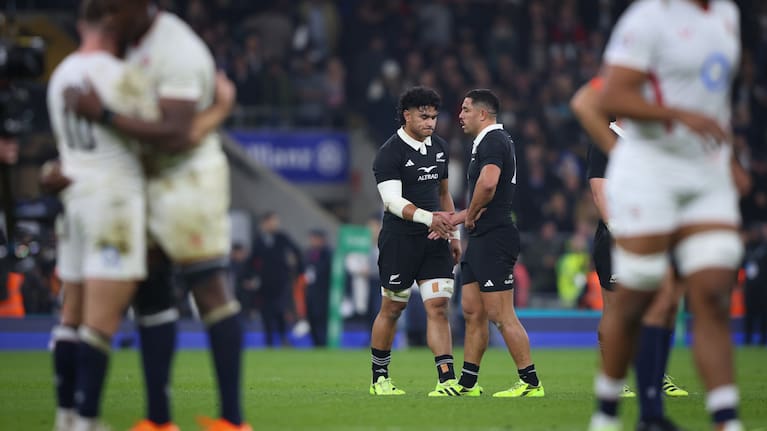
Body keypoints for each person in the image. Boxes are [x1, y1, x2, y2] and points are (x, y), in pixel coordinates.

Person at [66, 1, 249, 430]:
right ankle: (159, 419)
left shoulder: (177, 49)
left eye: (115, 9)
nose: (109, 18)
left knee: (209, 287)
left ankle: (233, 420)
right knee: (150, 290)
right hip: (143, 178)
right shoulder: (125, 42)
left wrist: (104, 114)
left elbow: (175, 134)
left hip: (187, 179)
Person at [587, 1, 744, 430]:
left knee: (708, 294)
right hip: (650, 189)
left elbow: (711, 100)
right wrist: (678, 118)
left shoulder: (728, 16)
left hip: (703, 180)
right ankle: (610, 409)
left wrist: (725, 156)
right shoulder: (647, 20)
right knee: (640, 303)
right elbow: (593, 100)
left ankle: (725, 418)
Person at [47, 2, 147, 429]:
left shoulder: (60, 74)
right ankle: (87, 420)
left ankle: (65, 414)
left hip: (73, 201)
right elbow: (149, 144)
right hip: (113, 203)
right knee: (100, 323)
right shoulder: (121, 77)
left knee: (70, 317)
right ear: (114, 22)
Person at [571, 76, 690, 430]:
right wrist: (621, 233)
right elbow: (599, 192)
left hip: (653, 234)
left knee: (662, 305)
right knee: (619, 309)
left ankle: (654, 376)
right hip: (618, 237)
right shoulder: (604, 140)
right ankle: (616, 378)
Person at [432, 89, 544, 398]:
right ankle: (468, 384)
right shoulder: (486, 142)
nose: (460, 115)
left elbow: (489, 183)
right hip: (481, 237)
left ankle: (530, 382)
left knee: (500, 314)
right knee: (472, 311)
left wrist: (472, 214)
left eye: (466, 109)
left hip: (494, 236)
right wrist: (458, 218)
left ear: (483, 114)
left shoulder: (494, 139)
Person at [371, 86, 460, 396]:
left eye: (434, 117)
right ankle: (380, 378)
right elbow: (392, 202)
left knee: (438, 307)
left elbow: (443, 193)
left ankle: (446, 379)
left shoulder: (440, 148)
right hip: (399, 241)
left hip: (435, 240)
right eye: (424, 117)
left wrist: (453, 234)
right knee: (393, 308)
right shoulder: (389, 152)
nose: (431, 123)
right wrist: (429, 218)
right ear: (406, 115)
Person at [249, 211, 304, 347]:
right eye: (272, 221)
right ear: (264, 223)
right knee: (266, 313)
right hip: (264, 283)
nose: (275, 224)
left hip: (281, 281)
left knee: (281, 310)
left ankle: (283, 338)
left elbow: (297, 251)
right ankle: (269, 341)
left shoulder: (282, 237)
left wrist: (296, 269)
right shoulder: (259, 240)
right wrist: (249, 277)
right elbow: (251, 261)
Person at [304, 228, 332, 347]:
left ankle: (323, 344)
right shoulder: (308, 254)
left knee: (322, 320)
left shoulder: (328, 254)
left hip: (324, 294)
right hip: (310, 293)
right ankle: (315, 344)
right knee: (312, 320)